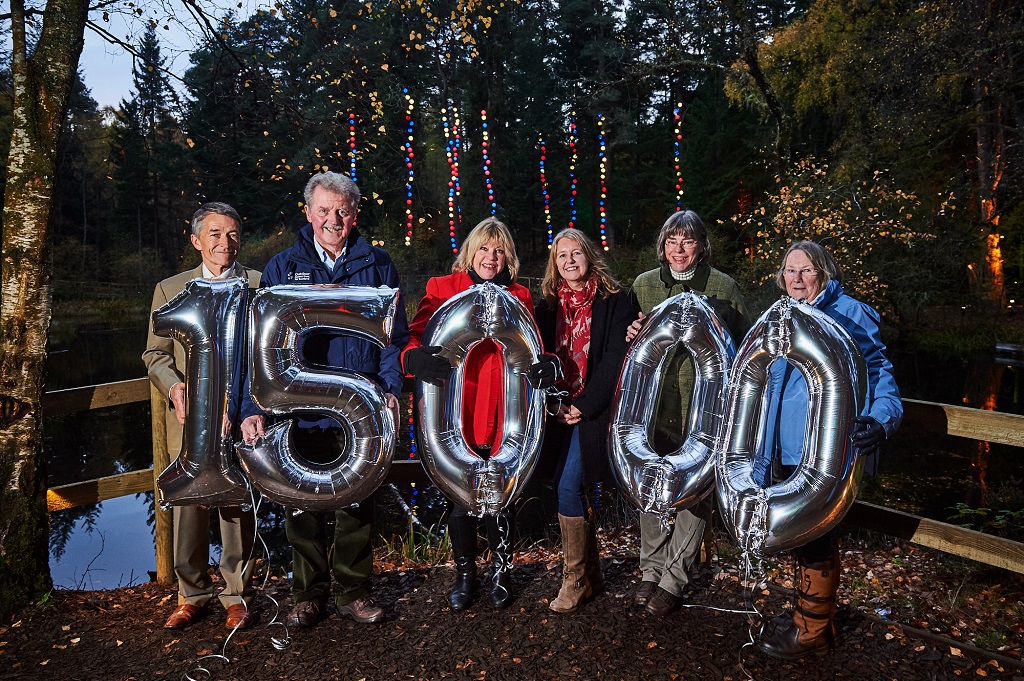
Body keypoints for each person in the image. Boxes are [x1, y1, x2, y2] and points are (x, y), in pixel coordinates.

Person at [239, 172, 408, 628]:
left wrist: (391, 390)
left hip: (359, 410)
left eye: (342, 211)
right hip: (300, 411)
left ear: (354, 216)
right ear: (309, 213)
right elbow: (258, 349)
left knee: (356, 504)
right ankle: (307, 595)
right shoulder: (280, 268)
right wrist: (253, 409)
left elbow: (395, 339)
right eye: (324, 210)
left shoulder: (377, 264)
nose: (333, 219)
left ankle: (353, 591)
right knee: (302, 506)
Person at [755, 240, 902, 659]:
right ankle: (807, 615)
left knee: (817, 532)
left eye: (805, 271)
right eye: (789, 271)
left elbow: (878, 371)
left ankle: (812, 632)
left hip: (824, 445)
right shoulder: (780, 315)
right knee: (798, 533)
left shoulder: (850, 312)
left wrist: (881, 418)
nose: (796, 279)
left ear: (823, 272)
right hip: (782, 445)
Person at [403, 217, 558, 611]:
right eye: (485, 249)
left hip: (505, 408)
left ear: (509, 257)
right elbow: (414, 338)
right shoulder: (442, 289)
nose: (491, 257)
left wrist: (549, 365)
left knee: (501, 491)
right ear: (470, 252)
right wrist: (412, 358)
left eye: (499, 249)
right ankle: (465, 573)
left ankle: (500, 572)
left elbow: (538, 346)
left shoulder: (520, 295)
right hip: (457, 407)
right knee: (460, 497)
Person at [142, 202, 260, 630]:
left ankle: (236, 595)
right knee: (187, 505)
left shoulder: (258, 285)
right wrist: (174, 387)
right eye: (214, 234)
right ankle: (191, 594)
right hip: (189, 422)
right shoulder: (170, 288)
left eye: (231, 234)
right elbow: (154, 353)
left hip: (239, 417)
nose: (223, 243)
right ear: (196, 240)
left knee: (235, 506)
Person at [627, 210, 750, 617]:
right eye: (672, 241)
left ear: (701, 246)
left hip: (704, 409)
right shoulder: (644, 285)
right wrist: (630, 331)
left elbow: (743, 346)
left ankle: (674, 578)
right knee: (650, 484)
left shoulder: (723, 286)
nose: (679, 250)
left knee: (693, 492)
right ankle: (650, 568)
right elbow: (628, 340)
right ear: (662, 246)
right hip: (653, 407)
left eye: (688, 241)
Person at [535, 228, 638, 613]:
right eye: (562, 256)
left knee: (567, 486)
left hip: (594, 410)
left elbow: (616, 358)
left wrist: (586, 404)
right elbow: (537, 361)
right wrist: (554, 404)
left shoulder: (616, 300)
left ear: (589, 256)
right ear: (555, 264)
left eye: (577, 253)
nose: (570, 261)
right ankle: (592, 575)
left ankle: (574, 579)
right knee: (567, 487)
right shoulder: (546, 307)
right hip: (557, 410)